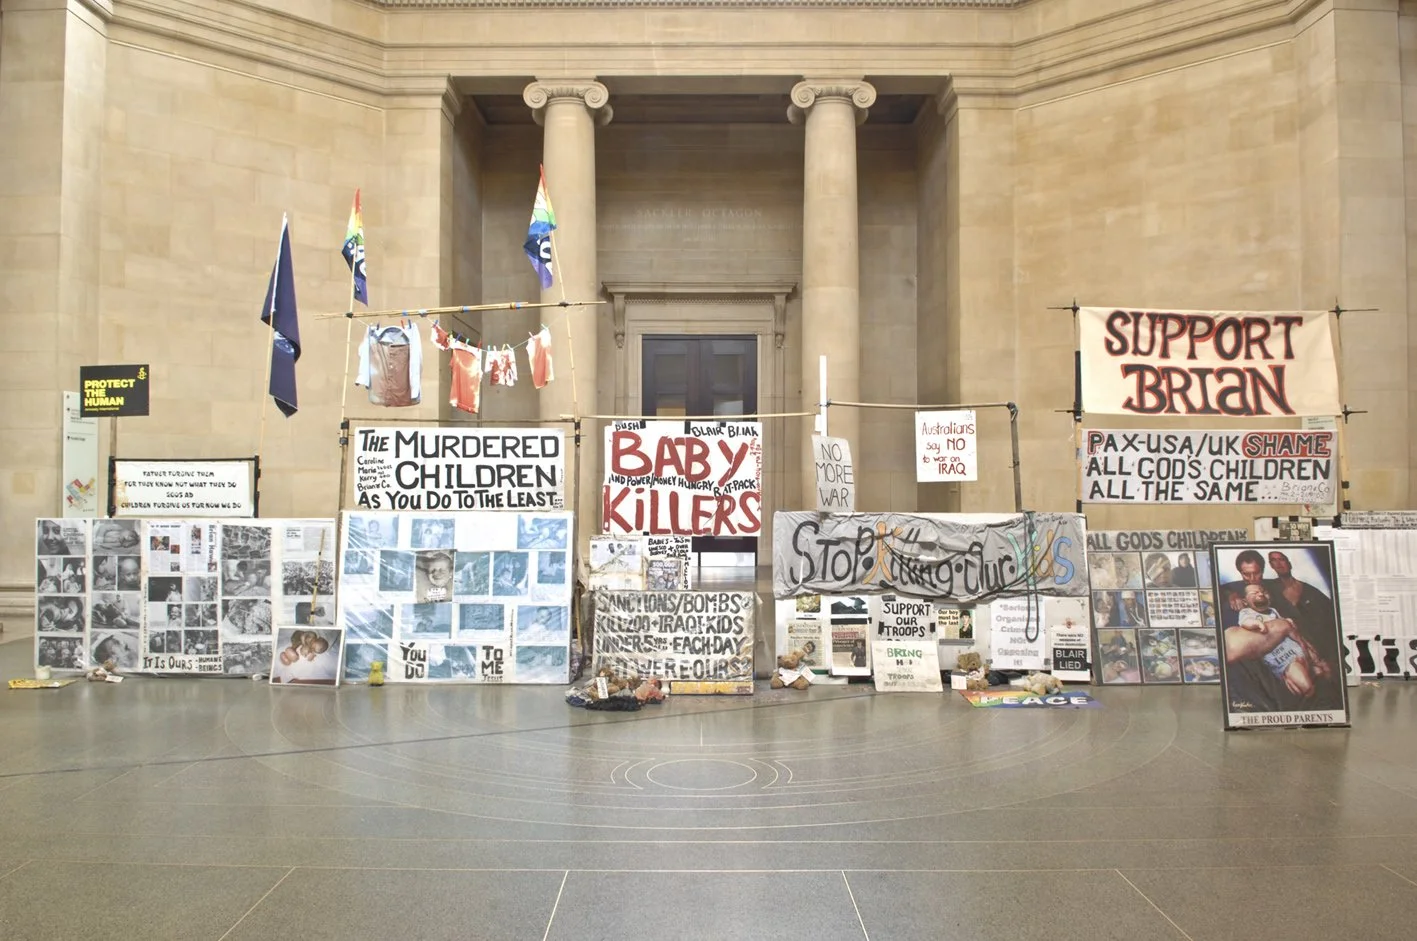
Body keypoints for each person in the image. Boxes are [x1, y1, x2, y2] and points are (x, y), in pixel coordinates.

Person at [1234, 582, 1317, 698]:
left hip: (1298, 649)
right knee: (1307, 687)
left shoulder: (1272, 610)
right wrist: (1255, 624)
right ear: (1245, 601)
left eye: (1263, 592)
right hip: (1284, 659)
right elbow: (1245, 622)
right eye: (1254, 593)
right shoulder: (1247, 612)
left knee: (1318, 671)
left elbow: (1283, 622)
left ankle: (1296, 681)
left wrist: (1287, 620)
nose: (1260, 594)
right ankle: (1303, 689)